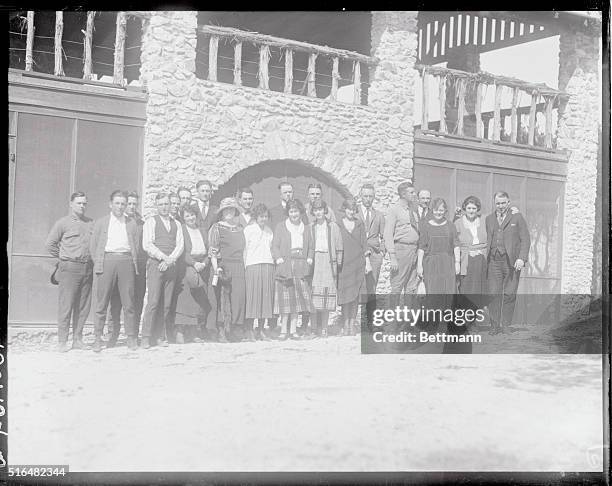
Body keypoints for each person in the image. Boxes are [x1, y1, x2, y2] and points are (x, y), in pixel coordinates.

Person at [89, 190, 141, 352]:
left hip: (126, 261)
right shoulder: (101, 222)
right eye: (117, 203)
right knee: (102, 303)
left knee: (129, 302)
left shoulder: (131, 222)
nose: (120, 207)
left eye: (123, 204)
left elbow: (136, 246)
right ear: (110, 204)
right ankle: (98, 338)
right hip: (107, 261)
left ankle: (131, 338)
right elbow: (94, 246)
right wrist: (100, 262)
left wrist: (129, 261)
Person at [45, 191, 94, 352]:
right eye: (79, 203)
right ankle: (62, 341)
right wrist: (63, 259)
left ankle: (78, 339)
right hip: (69, 268)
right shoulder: (63, 223)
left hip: (87, 268)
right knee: (66, 305)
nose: (82, 206)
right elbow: (50, 245)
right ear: (71, 204)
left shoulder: (90, 223)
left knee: (83, 306)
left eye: (84, 203)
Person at [140, 193, 184, 349]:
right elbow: (147, 245)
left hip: (171, 266)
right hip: (156, 265)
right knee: (153, 301)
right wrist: (163, 258)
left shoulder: (177, 224)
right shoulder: (151, 222)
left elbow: (180, 246)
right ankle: (146, 336)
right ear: (156, 206)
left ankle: (159, 335)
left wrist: (170, 260)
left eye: (167, 204)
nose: (165, 207)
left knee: (166, 304)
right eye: (161, 204)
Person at [416, 198, 461, 351]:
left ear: (445, 211)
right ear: (432, 210)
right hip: (431, 265)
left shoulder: (450, 226)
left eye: (441, 210)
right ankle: (432, 330)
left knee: (447, 296)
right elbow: (421, 247)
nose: (438, 213)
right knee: (433, 297)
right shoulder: (426, 226)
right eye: (436, 210)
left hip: (447, 264)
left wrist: (457, 263)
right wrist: (419, 265)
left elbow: (456, 245)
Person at [485, 191, 530, 335]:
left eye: (503, 203)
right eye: (498, 203)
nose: (501, 206)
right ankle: (494, 326)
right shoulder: (489, 219)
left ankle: (505, 325)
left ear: (508, 202)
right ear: (494, 203)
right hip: (494, 261)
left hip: (511, 261)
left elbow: (526, 239)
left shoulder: (517, 217)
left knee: (510, 294)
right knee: (493, 293)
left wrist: (521, 258)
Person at [272, 199, 314, 340]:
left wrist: (309, 259)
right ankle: (283, 330)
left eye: (296, 211)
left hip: (301, 265)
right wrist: (279, 259)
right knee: (285, 300)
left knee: (297, 300)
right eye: (291, 211)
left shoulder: (306, 228)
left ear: (300, 212)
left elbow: (311, 247)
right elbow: (275, 246)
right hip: (286, 265)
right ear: (288, 213)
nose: (294, 214)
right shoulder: (281, 226)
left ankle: (293, 330)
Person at [108, 191, 146, 343]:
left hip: (138, 269)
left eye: (134, 204)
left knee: (136, 302)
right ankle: (113, 334)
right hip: (122, 266)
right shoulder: (119, 222)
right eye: (128, 203)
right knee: (115, 301)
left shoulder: (142, 224)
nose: (131, 207)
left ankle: (133, 334)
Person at [208, 197, 247, 342]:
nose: (229, 212)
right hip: (224, 266)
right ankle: (222, 330)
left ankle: (236, 329)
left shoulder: (240, 228)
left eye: (232, 209)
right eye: (226, 210)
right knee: (224, 299)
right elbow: (213, 251)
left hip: (239, 266)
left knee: (238, 298)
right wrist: (216, 267)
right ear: (222, 212)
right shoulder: (217, 227)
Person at [173, 203, 211, 344]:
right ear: (183, 218)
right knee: (185, 300)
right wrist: (193, 263)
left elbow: (208, 251)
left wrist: (204, 263)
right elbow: (182, 250)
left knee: (198, 299)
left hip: (202, 266)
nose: (190, 218)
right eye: (187, 216)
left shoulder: (202, 230)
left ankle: (194, 332)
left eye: (192, 215)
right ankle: (180, 332)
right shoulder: (182, 230)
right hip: (187, 266)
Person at [307, 200, 343, 338]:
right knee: (315, 295)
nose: (318, 213)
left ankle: (324, 328)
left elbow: (339, 246)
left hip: (328, 261)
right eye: (315, 210)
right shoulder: (311, 227)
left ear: (325, 210)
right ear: (313, 212)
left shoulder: (333, 226)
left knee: (326, 296)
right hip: (316, 261)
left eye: (320, 210)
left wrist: (337, 263)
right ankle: (314, 328)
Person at [383, 181, 420, 307]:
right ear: (403, 194)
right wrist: (392, 256)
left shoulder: (413, 210)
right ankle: (393, 320)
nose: (414, 194)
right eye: (411, 192)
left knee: (411, 286)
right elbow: (387, 234)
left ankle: (408, 320)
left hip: (414, 250)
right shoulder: (394, 210)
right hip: (401, 250)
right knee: (397, 285)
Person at [243, 203, 275, 341]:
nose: (264, 219)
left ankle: (261, 329)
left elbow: (271, 248)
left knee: (265, 299)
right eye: (261, 216)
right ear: (256, 217)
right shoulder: (249, 230)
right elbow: (244, 250)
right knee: (253, 298)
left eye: (266, 216)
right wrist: (245, 267)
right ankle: (249, 329)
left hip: (267, 265)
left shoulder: (269, 230)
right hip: (253, 265)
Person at [337, 199, 368, 336]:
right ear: (344, 209)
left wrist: (367, 262)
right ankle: (344, 324)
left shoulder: (359, 223)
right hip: (344, 263)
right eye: (349, 209)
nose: (351, 211)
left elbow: (364, 243)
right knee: (345, 294)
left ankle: (352, 324)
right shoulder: (338, 224)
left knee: (355, 294)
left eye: (353, 209)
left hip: (357, 262)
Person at [356, 184, 385, 329]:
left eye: (370, 196)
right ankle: (352, 321)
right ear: (361, 196)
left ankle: (371, 321)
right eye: (365, 196)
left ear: (374, 197)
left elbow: (384, 236)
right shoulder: (355, 213)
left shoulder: (378, 215)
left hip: (374, 254)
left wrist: (382, 252)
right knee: (356, 285)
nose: (368, 199)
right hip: (357, 254)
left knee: (371, 287)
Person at [455, 196, 488, 307]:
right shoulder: (458, 222)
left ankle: (473, 318)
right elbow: (453, 241)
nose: (471, 211)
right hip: (466, 260)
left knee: (478, 290)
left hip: (481, 259)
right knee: (465, 288)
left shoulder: (484, 219)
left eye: (474, 208)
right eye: (469, 208)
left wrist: (513, 211)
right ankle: (464, 318)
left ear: (477, 209)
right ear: (465, 208)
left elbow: (498, 217)